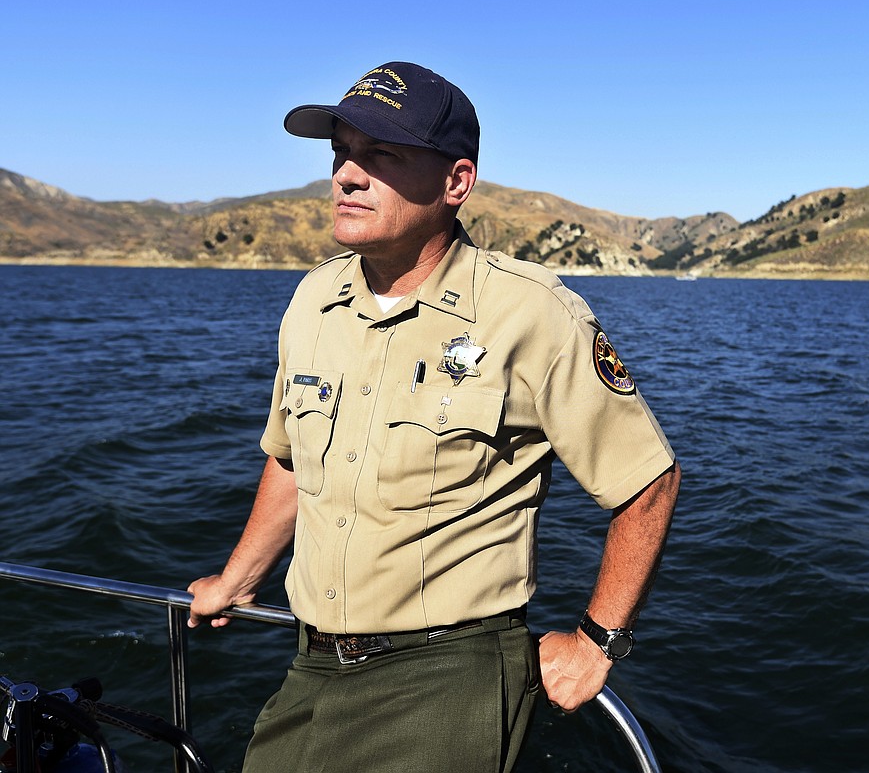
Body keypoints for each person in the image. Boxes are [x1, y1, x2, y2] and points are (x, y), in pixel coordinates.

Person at [187, 61, 680, 773]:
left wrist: (598, 639)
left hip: (447, 677)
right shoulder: (312, 301)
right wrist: (237, 578)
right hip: (309, 667)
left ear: (456, 183)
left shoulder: (531, 311)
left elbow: (648, 482)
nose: (347, 176)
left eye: (381, 155)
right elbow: (293, 459)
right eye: (342, 154)